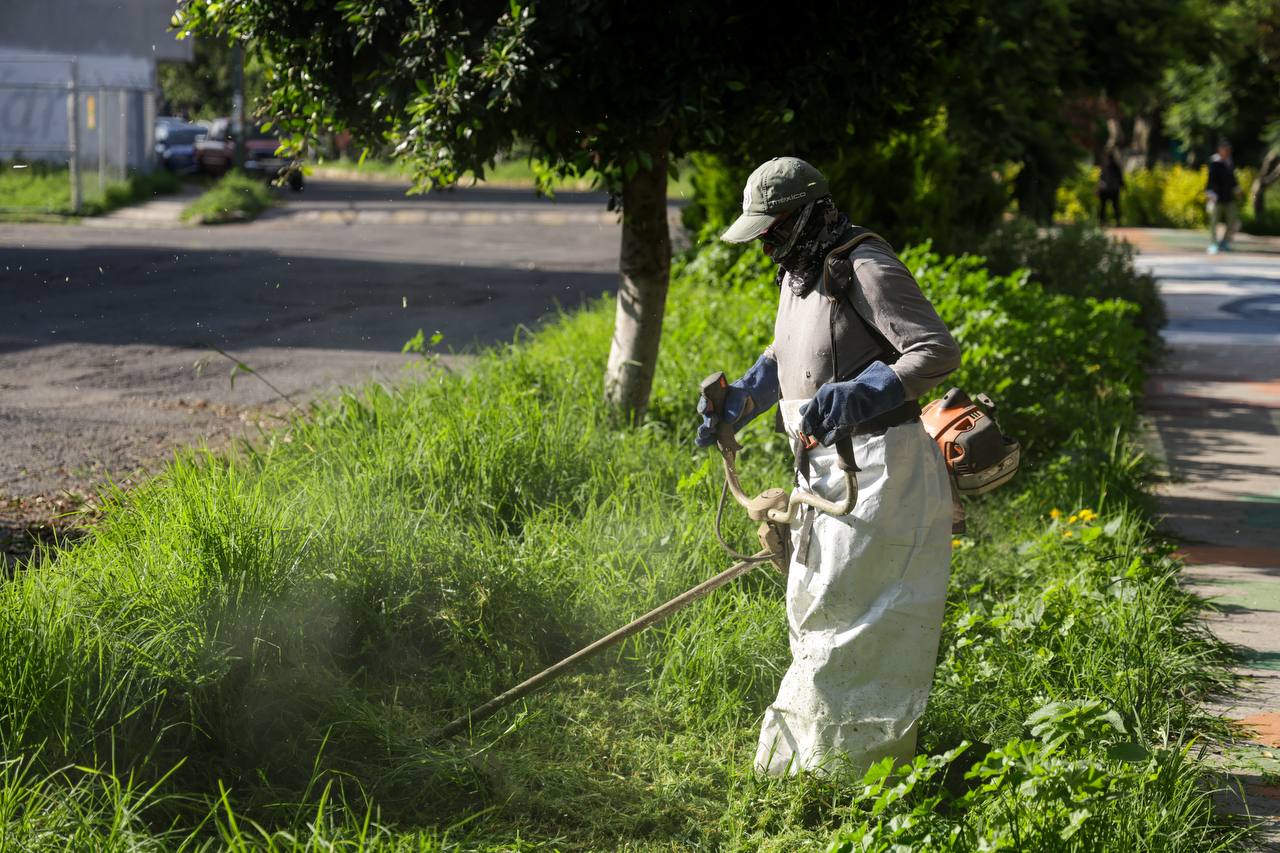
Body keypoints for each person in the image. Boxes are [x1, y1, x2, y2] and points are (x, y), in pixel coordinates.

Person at [696, 157, 960, 776]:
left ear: (812, 212)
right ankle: (810, 761)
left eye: (774, 228)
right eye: (760, 232)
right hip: (825, 471)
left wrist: (867, 390)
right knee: (815, 606)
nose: (765, 243)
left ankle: (847, 774)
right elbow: (786, 352)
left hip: (878, 469)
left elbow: (935, 350)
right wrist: (744, 400)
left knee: (854, 619)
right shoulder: (798, 270)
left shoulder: (861, 263)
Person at [1206, 139, 1241, 254]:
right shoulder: (1214, 162)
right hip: (1216, 197)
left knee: (1232, 220)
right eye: (1225, 150)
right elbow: (1210, 180)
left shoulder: (1229, 162)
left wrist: (1237, 189)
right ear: (1220, 150)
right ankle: (1213, 244)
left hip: (1228, 197)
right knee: (1214, 222)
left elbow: (1232, 179)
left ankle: (1224, 242)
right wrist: (1210, 194)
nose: (1227, 152)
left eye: (1228, 150)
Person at [1097, 147, 1124, 226]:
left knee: (1107, 206)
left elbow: (1101, 178)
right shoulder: (1114, 167)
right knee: (1112, 206)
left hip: (1109, 189)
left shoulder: (1106, 167)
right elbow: (1120, 178)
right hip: (1112, 189)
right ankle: (1105, 221)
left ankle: (1103, 221)